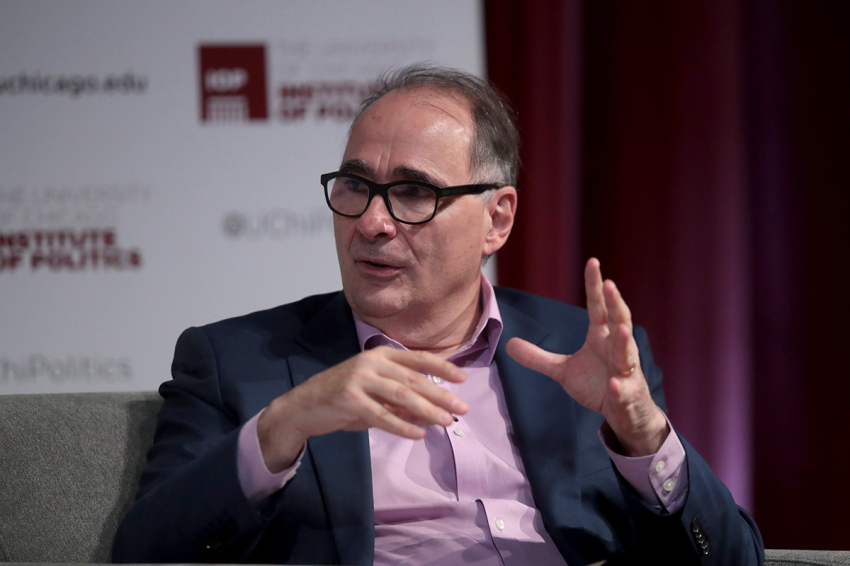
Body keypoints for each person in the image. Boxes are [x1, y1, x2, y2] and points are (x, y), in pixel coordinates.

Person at [113, 64, 763, 565]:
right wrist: (284, 425)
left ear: (497, 219)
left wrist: (647, 438)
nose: (371, 223)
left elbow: (734, 558)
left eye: (414, 193)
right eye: (355, 186)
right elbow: (144, 550)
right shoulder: (237, 362)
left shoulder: (580, 352)